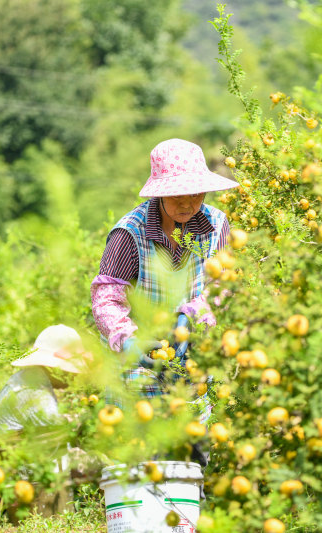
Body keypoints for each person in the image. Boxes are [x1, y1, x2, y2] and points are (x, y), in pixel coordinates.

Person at [91, 138, 238, 413]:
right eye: (176, 196)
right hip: (136, 356)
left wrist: (193, 315)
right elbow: (107, 298)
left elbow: (223, 284)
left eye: (195, 194)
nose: (187, 204)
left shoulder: (216, 225)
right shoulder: (129, 234)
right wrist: (128, 340)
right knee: (141, 436)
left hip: (190, 354)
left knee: (191, 435)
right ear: (159, 195)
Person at [0, 324, 92, 480]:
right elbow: (59, 455)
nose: (74, 376)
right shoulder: (38, 395)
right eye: (69, 370)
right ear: (54, 368)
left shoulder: (27, 379)